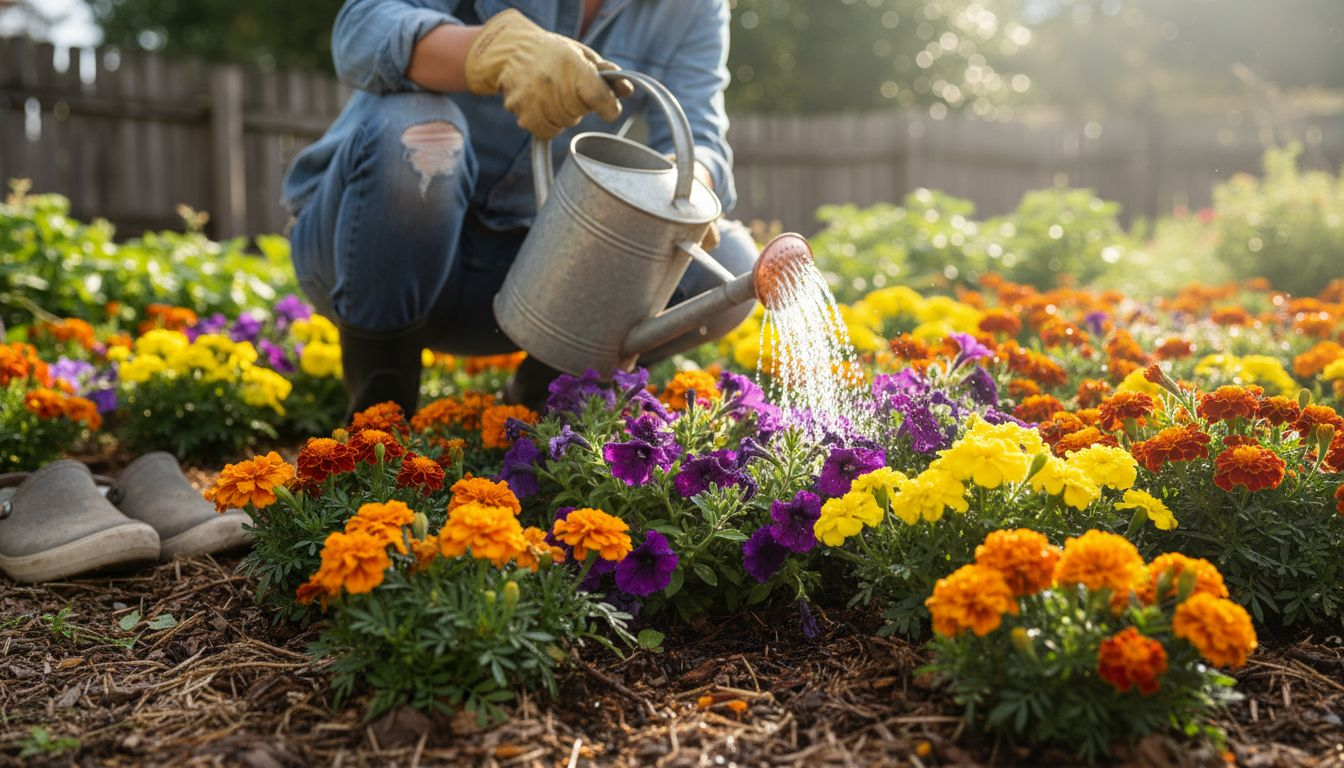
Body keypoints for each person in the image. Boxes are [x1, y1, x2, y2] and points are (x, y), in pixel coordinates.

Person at [282, 0, 757, 418]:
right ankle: (377, 425)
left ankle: (535, 411)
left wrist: (690, 186)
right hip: (368, 248)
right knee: (424, 136)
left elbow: (701, 135)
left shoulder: (694, 6)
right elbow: (360, 30)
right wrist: (491, 50)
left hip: (531, 287)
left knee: (727, 266)